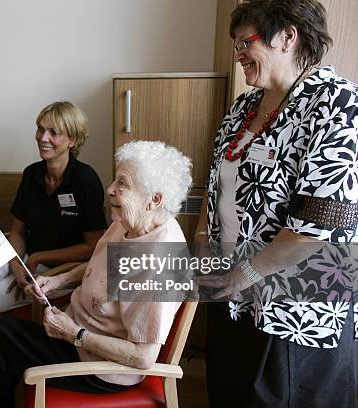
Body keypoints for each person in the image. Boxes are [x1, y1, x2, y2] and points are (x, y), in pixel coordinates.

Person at [0, 140, 193, 408]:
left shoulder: (160, 261)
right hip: (81, 334)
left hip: (99, 366)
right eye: (115, 179)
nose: (111, 189)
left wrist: (74, 334)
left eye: (123, 184)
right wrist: (60, 279)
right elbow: (98, 268)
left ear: (153, 200)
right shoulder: (129, 222)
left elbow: (142, 357)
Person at [193, 1, 358, 406]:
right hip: (231, 298)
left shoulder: (336, 103)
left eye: (245, 41)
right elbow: (216, 185)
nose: (237, 54)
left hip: (293, 308)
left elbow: (319, 224)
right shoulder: (243, 109)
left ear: (288, 36)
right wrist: (202, 244)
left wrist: (241, 276)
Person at [0, 101, 107, 346]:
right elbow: (18, 231)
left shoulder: (86, 179)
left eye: (54, 132)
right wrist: (18, 267)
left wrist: (39, 257)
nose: (43, 137)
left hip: (58, 269)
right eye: (40, 129)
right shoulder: (31, 174)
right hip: (22, 255)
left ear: (72, 140)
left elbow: (93, 246)